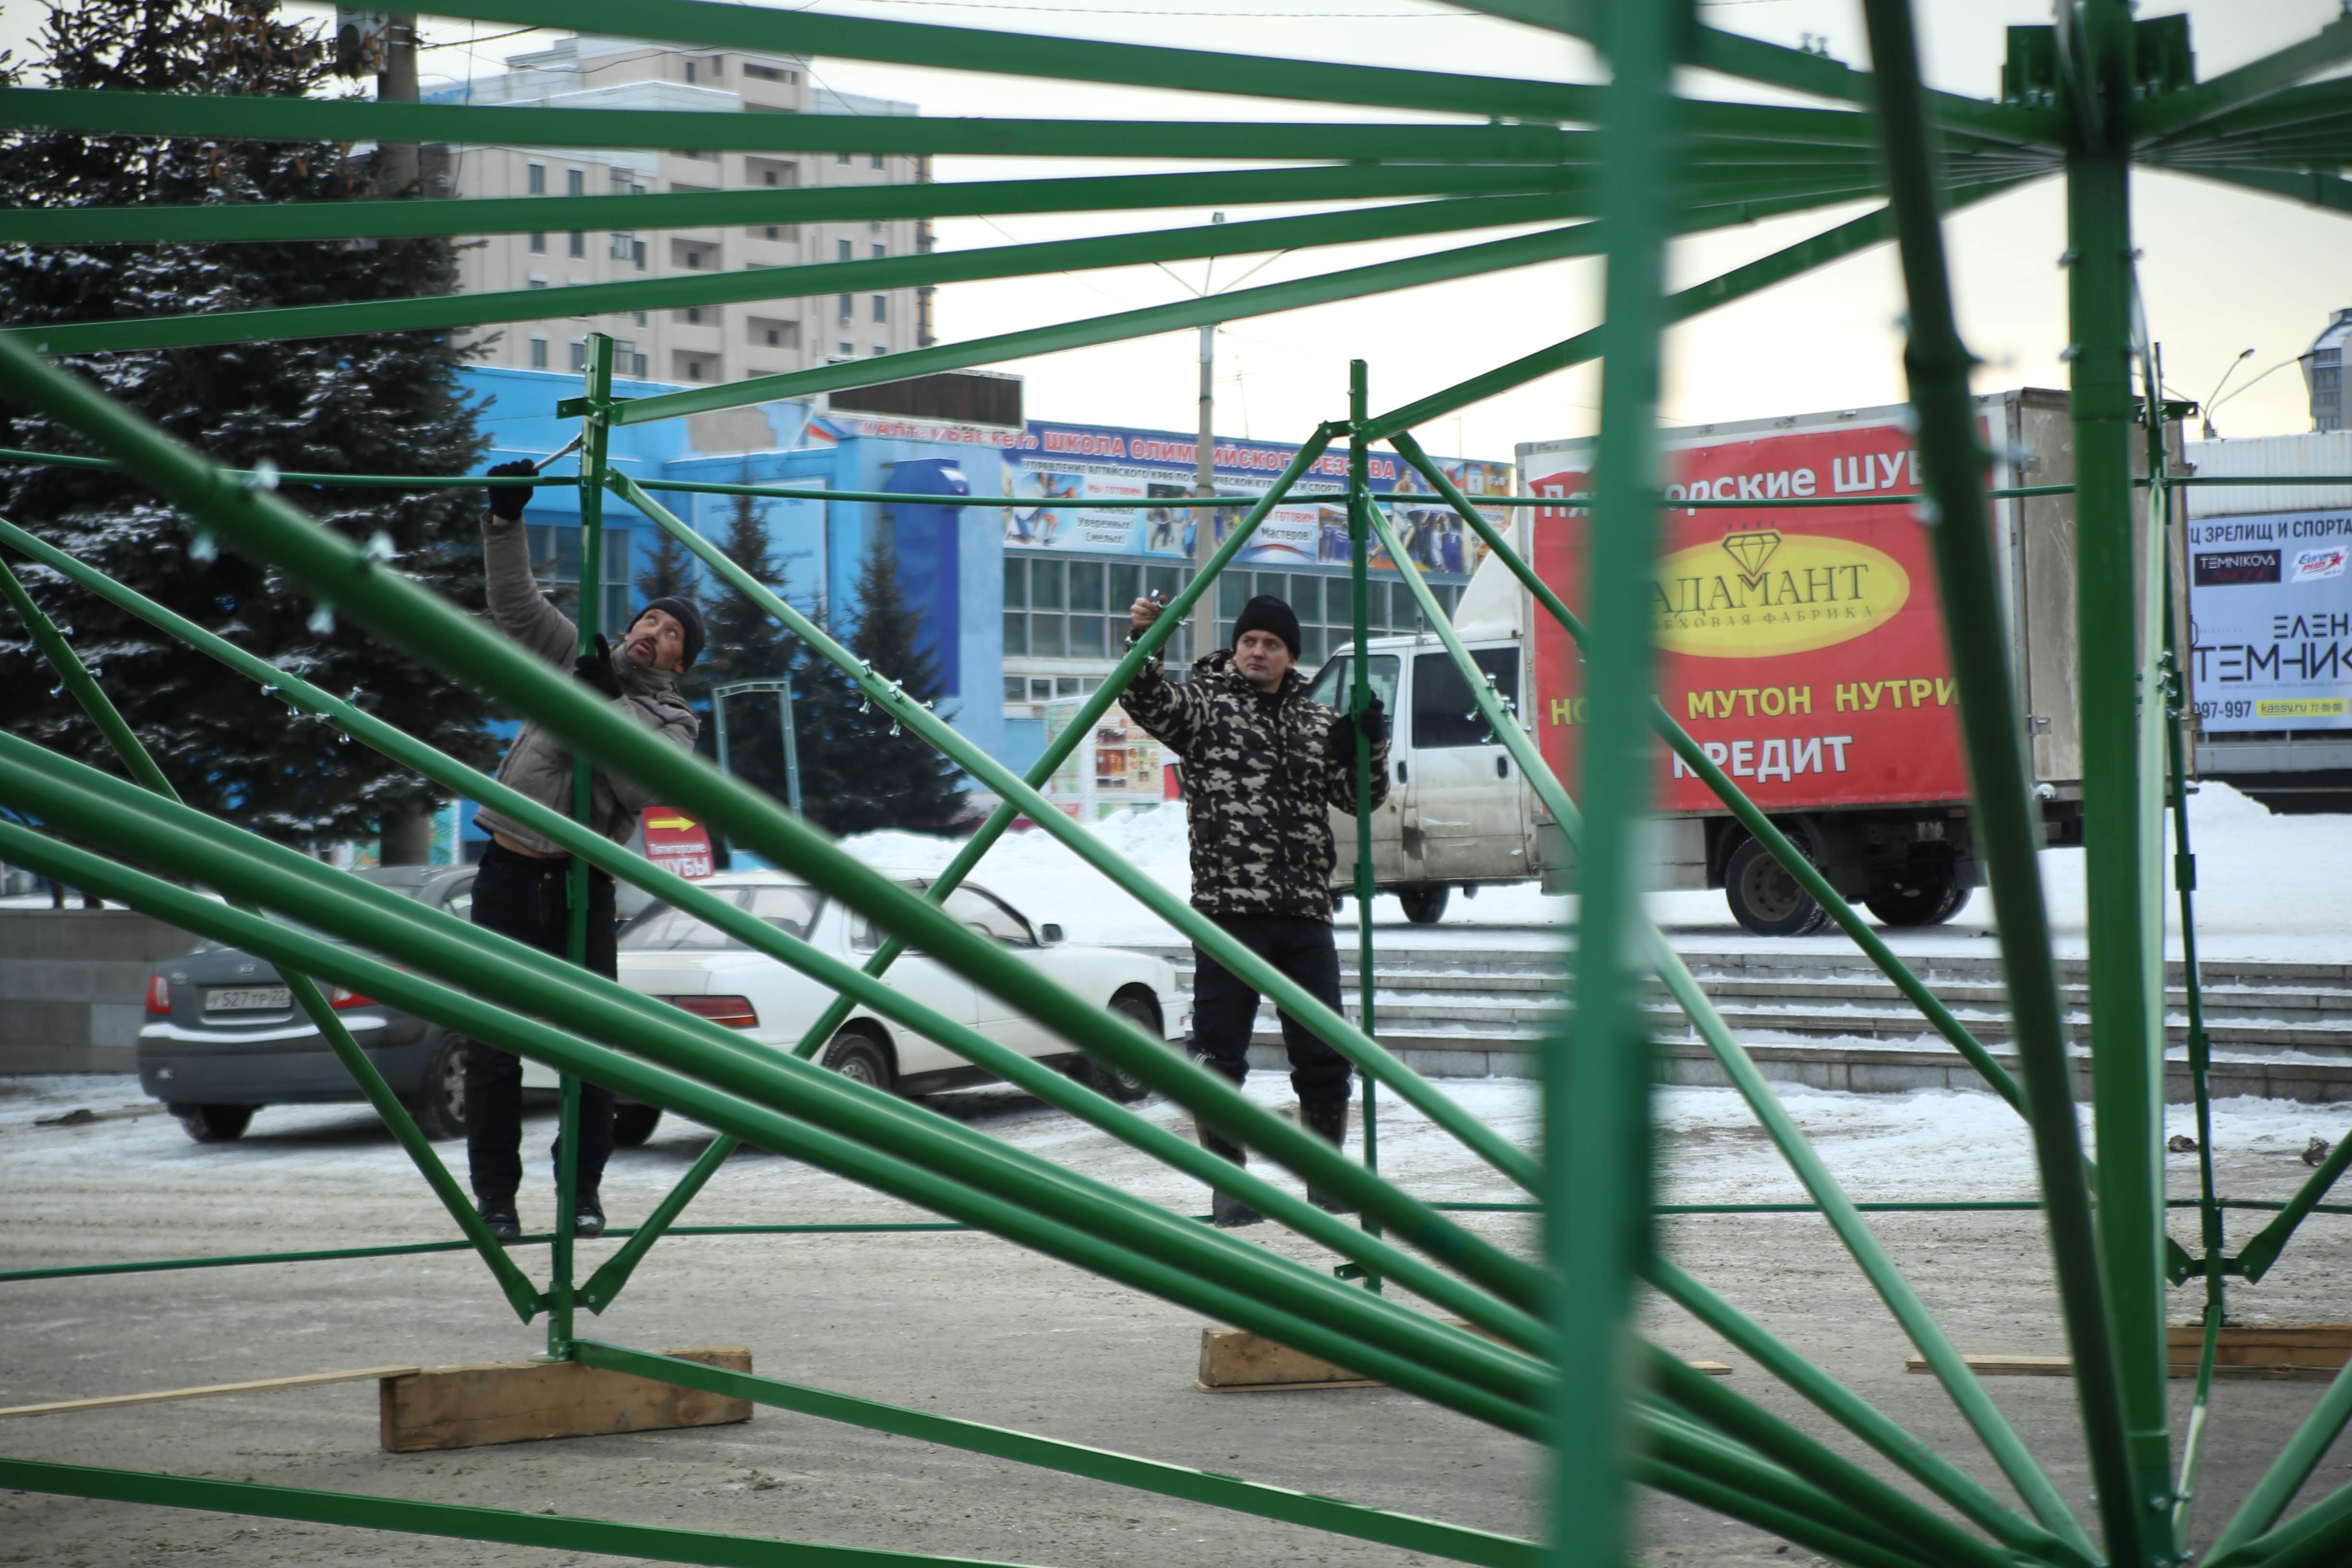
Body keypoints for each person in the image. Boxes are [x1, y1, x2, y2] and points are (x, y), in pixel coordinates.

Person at [465, 459, 703, 1243]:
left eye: (670, 634)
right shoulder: (577, 658)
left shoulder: (674, 723)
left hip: (581, 885)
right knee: (492, 1046)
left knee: (591, 1049)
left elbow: (644, 782)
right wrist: (506, 520)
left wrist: (608, 704)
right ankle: (496, 1199)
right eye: (649, 620)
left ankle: (582, 1192)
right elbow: (516, 603)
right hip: (509, 869)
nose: (652, 632)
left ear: (680, 664)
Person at [1120, 592, 1387, 1227]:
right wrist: (1146, 639)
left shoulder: (1317, 721)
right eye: (1249, 641)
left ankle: (1326, 1178)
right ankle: (1229, 1185)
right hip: (1229, 912)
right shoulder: (1204, 706)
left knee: (1325, 1054)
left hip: (1305, 913)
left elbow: (1361, 800)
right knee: (1219, 1056)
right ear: (1235, 647)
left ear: (1291, 656)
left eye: (1271, 644)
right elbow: (1141, 696)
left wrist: (1367, 744)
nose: (1257, 652)